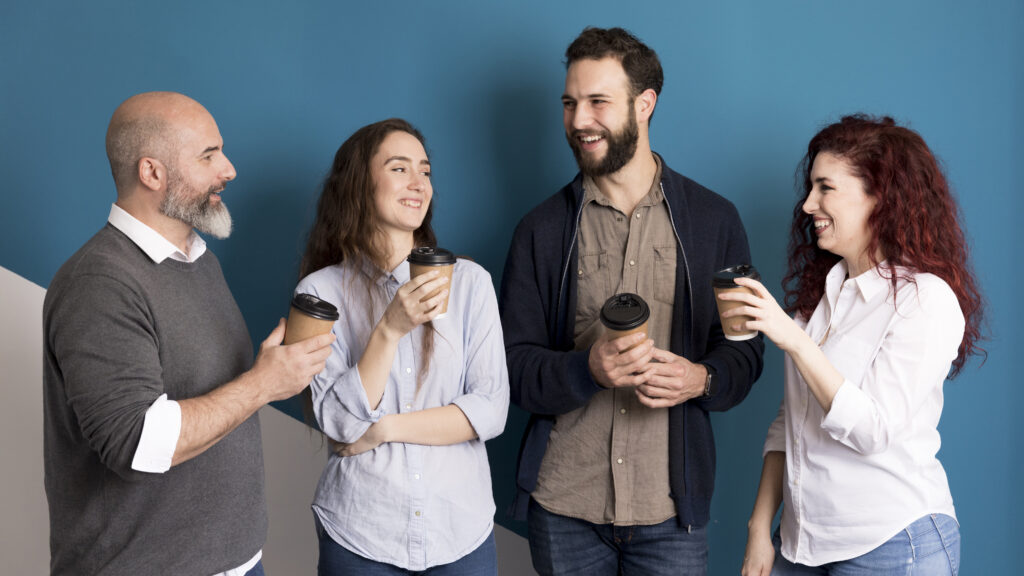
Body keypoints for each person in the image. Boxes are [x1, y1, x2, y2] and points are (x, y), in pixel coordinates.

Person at [500, 27, 764, 575]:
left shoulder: (715, 222)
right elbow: (512, 366)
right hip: (564, 507)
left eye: (598, 102)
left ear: (645, 104)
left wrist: (702, 379)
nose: (578, 121)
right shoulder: (540, 231)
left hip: (670, 514)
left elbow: (744, 352)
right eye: (570, 103)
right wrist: (585, 369)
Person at [42, 91, 335, 576]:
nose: (230, 169)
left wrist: (274, 368)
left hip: (236, 563)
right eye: (209, 155)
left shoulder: (198, 261)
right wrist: (264, 383)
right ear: (152, 173)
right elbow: (137, 441)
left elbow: (209, 386)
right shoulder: (99, 283)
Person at [737, 115, 984, 575]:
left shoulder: (925, 299)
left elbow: (873, 430)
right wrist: (758, 529)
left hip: (893, 542)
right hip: (801, 542)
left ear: (879, 198)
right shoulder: (818, 304)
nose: (809, 204)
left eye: (825, 188)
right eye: (810, 188)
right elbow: (789, 422)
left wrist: (793, 341)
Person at [295, 118, 509, 575]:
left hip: (461, 530)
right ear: (359, 184)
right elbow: (340, 425)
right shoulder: (320, 293)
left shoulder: (470, 283)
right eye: (399, 168)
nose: (419, 183)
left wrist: (385, 428)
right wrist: (389, 329)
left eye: (425, 171)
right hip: (360, 532)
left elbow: (491, 410)